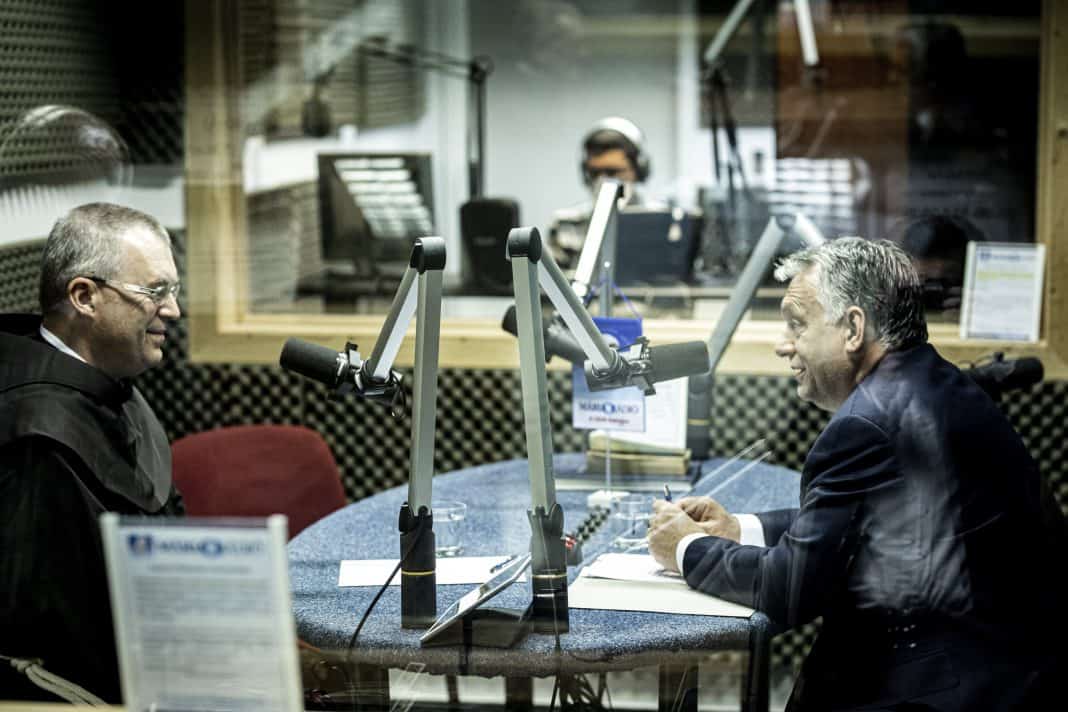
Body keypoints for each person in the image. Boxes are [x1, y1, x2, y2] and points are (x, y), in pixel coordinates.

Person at [648, 237, 1066, 710]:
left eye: (797, 324)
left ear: (852, 328)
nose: (783, 345)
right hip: (1011, 669)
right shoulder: (933, 379)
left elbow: (788, 590)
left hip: (948, 690)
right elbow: (859, 520)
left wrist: (685, 547)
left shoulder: (865, 424)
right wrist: (738, 529)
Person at [0, 202, 184, 702]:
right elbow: (42, 642)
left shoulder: (107, 385)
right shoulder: (37, 437)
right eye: (155, 291)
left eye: (173, 290)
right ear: (84, 296)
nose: (173, 310)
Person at [547, 116, 652, 270]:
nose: (603, 180)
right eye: (595, 173)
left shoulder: (665, 222)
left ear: (638, 170)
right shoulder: (565, 223)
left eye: (613, 172)